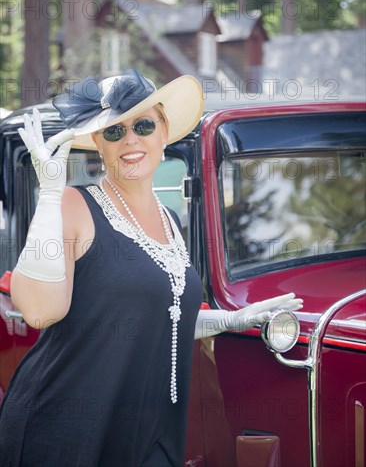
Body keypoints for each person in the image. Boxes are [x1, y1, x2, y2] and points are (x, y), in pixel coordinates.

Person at [0, 69, 302, 467]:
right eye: (114, 131)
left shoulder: (169, 221)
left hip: (149, 428)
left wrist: (230, 320)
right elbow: (40, 311)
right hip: (66, 428)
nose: (130, 140)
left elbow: (157, 317)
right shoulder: (75, 204)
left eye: (143, 125)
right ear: (99, 145)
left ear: (164, 133)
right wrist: (50, 195)